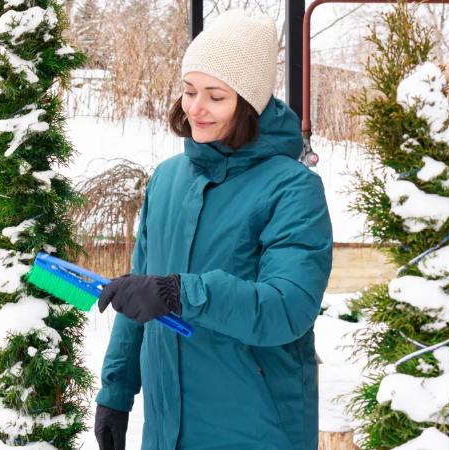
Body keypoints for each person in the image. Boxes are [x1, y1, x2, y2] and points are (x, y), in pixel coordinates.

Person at [93, 10, 334, 450]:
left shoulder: (293, 188)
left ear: (249, 103)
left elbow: (287, 309)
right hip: (167, 431)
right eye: (188, 91)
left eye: (215, 96)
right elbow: (138, 297)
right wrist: (116, 393)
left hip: (257, 428)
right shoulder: (166, 180)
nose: (195, 108)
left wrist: (182, 293)